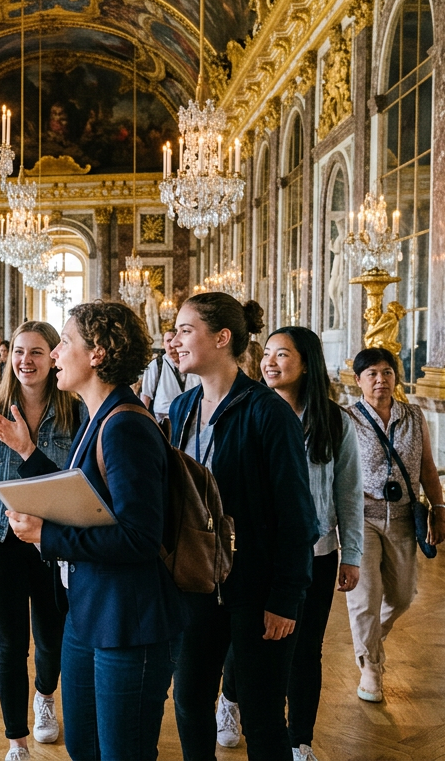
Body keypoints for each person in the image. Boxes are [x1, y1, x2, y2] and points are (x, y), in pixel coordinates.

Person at [0, 302, 187, 760]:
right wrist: (30, 454)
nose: (56, 354)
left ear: (97, 353)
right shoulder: (98, 415)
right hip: (88, 612)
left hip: (127, 621)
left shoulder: (125, 427)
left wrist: (47, 536)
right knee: (84, 748)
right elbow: (87, 502)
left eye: (64, 343)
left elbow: (140, 538)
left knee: (121, 753)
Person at [167, 292, 318, 760]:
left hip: (256, 588)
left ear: (223, 337)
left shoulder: (267, 412)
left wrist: (286, 598)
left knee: (261, 715)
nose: (174, 340)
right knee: (190, 702)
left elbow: (297, 513)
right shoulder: (182, 408)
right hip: (195, 584)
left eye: (185, 329)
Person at [231, 326, 363, 761]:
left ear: (306, 363)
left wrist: (352, 555)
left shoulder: (333, 420)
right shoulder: (249, 410)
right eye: (266, 353)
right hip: (257, 551)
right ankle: (231, 703)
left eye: (282, 355)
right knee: (246, 639)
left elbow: (348, 492)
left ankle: (300, 740)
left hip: (316, 551)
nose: (270, 362)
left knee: (306, 649)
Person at [0, 322, 80, 760]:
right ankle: (16, 741)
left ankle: (45, 696)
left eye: (36, 352)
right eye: (18, 351)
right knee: (10, 643)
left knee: (51, 638)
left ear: (53, 358)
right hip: (1, 538)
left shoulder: (75, 411)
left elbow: (75, 481)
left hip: (52, 541)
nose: (26, 360)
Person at [346, 347, 445, 703]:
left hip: (404, 518)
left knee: (403, 596)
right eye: (371, 373)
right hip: (362, 519)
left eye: (387, 372)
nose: (380, 380)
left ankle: (369, 639)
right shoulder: (347, 419)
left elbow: (428, 467)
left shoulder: (413, 416)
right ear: (358, 380)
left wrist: (439, 507)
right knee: (365, 598)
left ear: (396, 377)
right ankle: (371, 667)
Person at [139, 329, 201, 423]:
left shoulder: (194, 364)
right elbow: (146, 397)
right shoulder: (156, 365)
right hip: (164, 421)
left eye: (173, 340)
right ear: (163, 344)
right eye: (168, 341)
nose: (171, 345)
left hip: (192, 420)